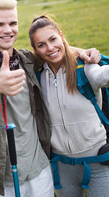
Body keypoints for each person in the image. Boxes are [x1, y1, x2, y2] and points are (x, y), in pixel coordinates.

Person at [0, 0, 99, 197]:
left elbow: (53, 52)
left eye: (12, 23)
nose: (7, 30)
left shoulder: (28, 59)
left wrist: (85, 52)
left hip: (39, 169)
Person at [28, 15, 109, 197]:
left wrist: (81, 53)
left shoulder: (84, 67)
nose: (49, 48)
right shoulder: (37, 76)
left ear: (61, 36)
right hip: (62, 167)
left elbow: (102, 75)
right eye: (41, 45)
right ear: (35, 50)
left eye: (53, 39)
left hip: (99, 163)